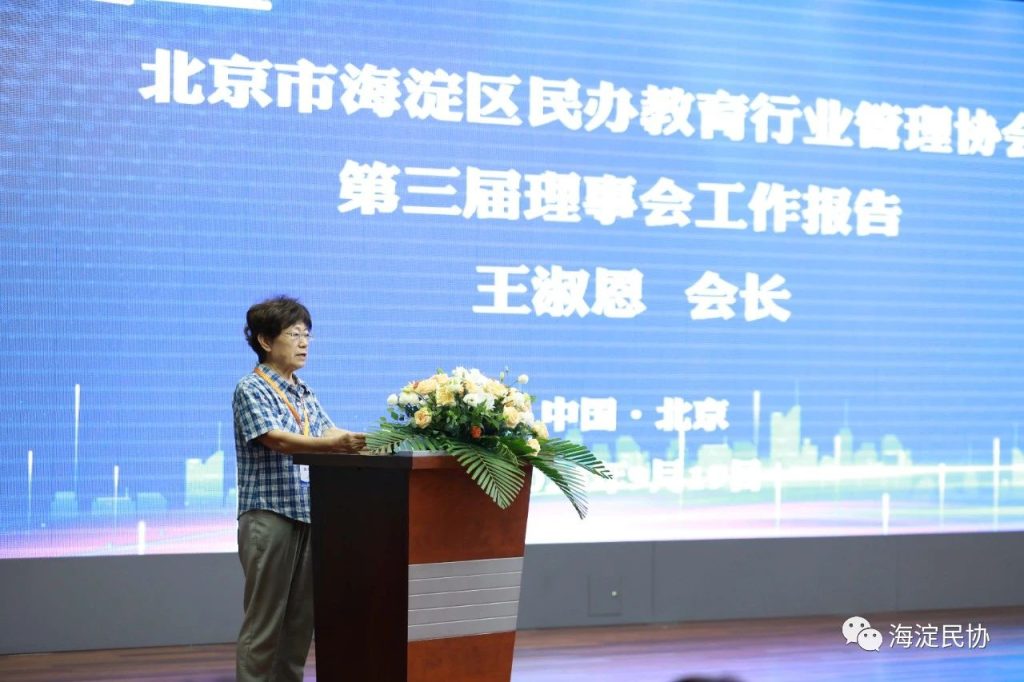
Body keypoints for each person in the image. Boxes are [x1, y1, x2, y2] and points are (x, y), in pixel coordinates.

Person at [232, 295, 365, 682]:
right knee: (264, 624)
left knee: (298, 624)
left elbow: (329, 431)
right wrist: (335, 445)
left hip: (307, 513)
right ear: (265, 341)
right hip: (269, 515)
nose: (304, 342)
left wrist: (371, 443)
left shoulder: (303, 391)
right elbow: (277, 438)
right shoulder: (251, 388)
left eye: (307, 334)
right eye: (294, 334)